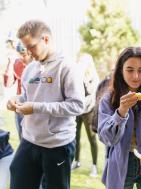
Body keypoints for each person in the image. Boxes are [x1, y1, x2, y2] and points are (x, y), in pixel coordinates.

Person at [6, 20, 84, 189]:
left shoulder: (68, 66)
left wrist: (35, 107)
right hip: (29, 140)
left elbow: (77, 105)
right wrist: (15, 101)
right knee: (17, 176)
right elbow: (27, 96)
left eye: (32, 46)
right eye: (25, 47)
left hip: (57, 145)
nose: (28, 52)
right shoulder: (30, 68)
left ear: (46, 40)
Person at [97, 47, 141, 189]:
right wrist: (121, 113)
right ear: (120, 71)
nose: (136, 76)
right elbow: (107, 138)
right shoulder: (109, 99)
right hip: (121, 162)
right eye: (130, 70)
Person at [71, 53, 99, 177]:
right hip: (77, 110)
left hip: (89, 110)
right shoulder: (76, 75)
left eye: (83, 62)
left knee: (91, 138)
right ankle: (76, 161)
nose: (80, 65)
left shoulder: (93, 76)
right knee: (75, 137)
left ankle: (94, 166)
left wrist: (82, 78)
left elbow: (89, 92)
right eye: (79, 62)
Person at [3, 42, 33, 140]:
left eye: (24, 55)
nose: (21, 58)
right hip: (20, 106)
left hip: (35, 107)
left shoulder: (39, 65)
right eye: (19, 55)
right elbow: (8, 84)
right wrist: (11, 63)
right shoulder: (17, 63)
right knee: (23, 140)